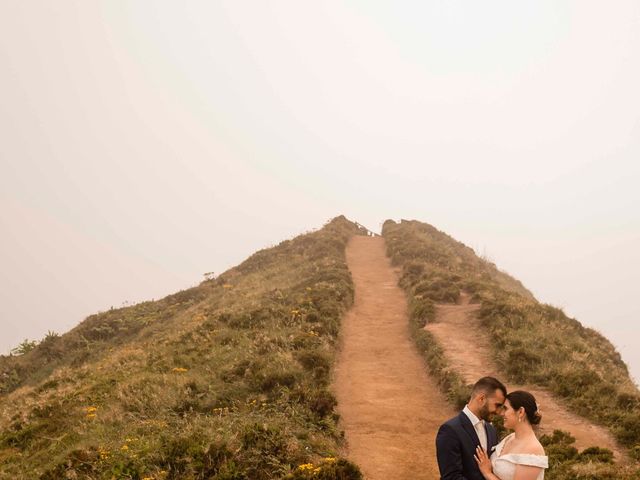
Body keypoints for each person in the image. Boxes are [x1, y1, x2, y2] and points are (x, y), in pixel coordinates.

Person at [436, 377, 507, 480]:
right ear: (481, 399)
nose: (498, 412)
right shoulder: (449, 430)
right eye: (497, 405)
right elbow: (451, 477)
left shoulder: (491, 430)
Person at [474, 390, 548, 480]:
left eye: (506, 408)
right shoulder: (510, 438)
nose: (502, 413)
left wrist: (487, 473)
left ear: (520, 412)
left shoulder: (533, 449)